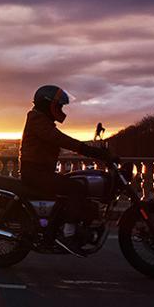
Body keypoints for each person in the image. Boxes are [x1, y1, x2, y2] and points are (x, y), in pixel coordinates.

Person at [19, 85, 112, 248]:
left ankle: (65, 225)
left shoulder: (43, 120)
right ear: (47, 104)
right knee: (75, 188)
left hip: (41, 171)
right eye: (58, 105)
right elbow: (59, 139)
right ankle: (69, 233)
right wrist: (89, 150)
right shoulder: (37, 120)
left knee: (73, 184)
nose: (60, 109)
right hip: (35, 172)